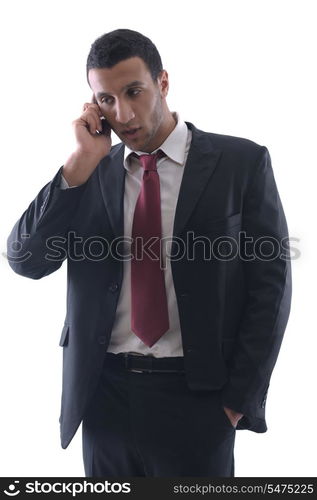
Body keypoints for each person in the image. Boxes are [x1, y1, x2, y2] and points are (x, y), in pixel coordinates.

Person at [6, 28, 292, 477]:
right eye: (106, 100)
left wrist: (238, 402)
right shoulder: (90, 173)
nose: (123, 113)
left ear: (162, 82)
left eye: (133, 92)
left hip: (198, 401)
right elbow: (26, 260)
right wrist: (79, 163)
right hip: (104, 400)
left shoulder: (242, 163)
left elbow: (270, 290)